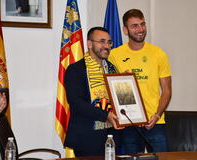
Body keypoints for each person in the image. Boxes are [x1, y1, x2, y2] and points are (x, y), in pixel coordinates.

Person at [109, 9, 172, 154]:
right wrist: (121, 80)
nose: (140, 29)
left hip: (155, 121)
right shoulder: (114, 55)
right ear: (125, 30)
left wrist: (157, 115)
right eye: (135, 26)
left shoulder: (158, 54)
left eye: (142, 24)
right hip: (129, 122)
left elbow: (167, 91)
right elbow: (109, 90)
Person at [64, 27, 123, 156]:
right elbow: (76, 103)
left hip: (112, 136)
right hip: (87, 137)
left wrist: (126, 86)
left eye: (109, 42)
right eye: (102, 41)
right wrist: (105, 115)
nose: (106, 46)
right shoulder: (76, 69)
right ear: (89, 44)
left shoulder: (113, 69)